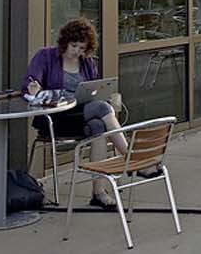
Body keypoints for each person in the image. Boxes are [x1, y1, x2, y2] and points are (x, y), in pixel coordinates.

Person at [23, 17, 129, 208]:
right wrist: (33, 88)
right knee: (103, 108)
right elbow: (30, 84)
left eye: (82, 48)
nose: (77, 51)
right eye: (74, 46)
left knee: (98, 125)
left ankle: (98, 193)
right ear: (65, 41)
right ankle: (130, 157)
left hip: (80, 114)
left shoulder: (87, 62)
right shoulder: (45, 56)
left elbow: (92, 90)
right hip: (56, 117)